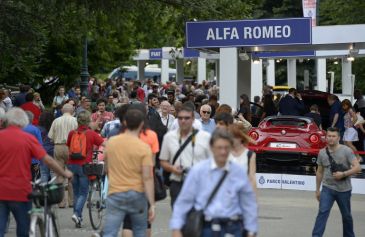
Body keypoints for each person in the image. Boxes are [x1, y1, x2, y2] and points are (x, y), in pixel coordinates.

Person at [170, 129, 258, 237]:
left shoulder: (239, 173)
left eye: (226, 148)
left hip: (233, 228)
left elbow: (248, 204)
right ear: (211, 148)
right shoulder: (198, 171)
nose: (223, 152)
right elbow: (184, 202)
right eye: (219, 148)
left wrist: (251, 230)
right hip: (205, 228)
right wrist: (176, 228)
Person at [0, 108, 72, 237]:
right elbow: (47, 159)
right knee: (23, 227)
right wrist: (64, 172)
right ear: (23, 122)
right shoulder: (27, 138)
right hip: (20, 191)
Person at [102, 109, 155, 237]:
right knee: (139, 230)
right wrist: (152, 204)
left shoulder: (111, 143)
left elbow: (106, 169)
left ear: (124, 123)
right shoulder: (144, 148)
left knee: (110, 231)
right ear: (142, 124)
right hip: (137, 193)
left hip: (115, 192)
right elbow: (147, 177)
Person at [312, 127, 361, 237]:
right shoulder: (322, 153)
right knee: (322, 213)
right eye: (329, 136)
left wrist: (343, 174)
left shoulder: (346, 150)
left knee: (346, 216)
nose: (331, 138)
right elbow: (319, 172)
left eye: (333, 136)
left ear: (338, 138)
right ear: (326, 137)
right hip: (327, 188)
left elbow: (357, 168)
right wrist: (317, 190)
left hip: (344, 190)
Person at [160, 105, 211, 207]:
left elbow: (212, 161)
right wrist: (173, 168)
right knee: (178, 216)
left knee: (195, 219)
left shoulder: (205, 137)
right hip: (177, 182)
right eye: (180, 118)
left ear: (193, 119)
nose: (183, 121)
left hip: (198, 183)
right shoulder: (169, 137)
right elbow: (163, 161)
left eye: (187, 118)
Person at [67, 111, 105, 228]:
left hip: (71, 164)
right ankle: (77, 213)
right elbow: (103, 143)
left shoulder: (72, 133)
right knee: (84, 192)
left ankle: (78, 219)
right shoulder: (91, 134)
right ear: (88, 121)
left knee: (76, 192)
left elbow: (68, 146)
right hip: (84, 165)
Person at [48, 103, 78, 208]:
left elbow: (50, 137)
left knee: (59, 174)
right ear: (72, 111)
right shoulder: (75, 120)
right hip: (71, 148)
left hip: (58, 147)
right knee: (71, 174)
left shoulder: (56, 121)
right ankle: (72, 201)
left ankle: (61, 202)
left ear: (62, 111)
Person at [227, 123, 257, 192]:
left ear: (241, 137)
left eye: (234, 136)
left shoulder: (250, 154)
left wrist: (253, 199)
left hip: (243, 193)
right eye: (230, 136)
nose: (231, 139)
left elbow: (252, 178)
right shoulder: (225, 152)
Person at [37, 111, 55, 183]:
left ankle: (43, 192)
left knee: (44, 173)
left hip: (42, 151)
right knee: (53, 172)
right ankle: (53, 192)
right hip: (53, 150)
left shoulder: (38, 129)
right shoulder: (54, 127)